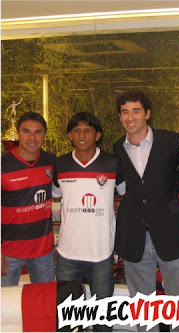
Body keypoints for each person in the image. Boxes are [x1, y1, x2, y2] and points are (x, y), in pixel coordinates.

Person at [113, 91, 179, 332]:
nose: (130, 117)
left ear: (147, 114)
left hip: (169, 231)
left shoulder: (170, 141)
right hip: (135, 234)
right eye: (125, 112)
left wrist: (166, 194)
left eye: (136, 111)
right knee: (142, 305)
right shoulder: (117, 147)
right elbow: (124, 185)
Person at [52, 112, 123, 332]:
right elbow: (56, 193)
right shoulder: (60, 164)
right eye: (76, 130)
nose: (82, 135)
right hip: (67, 254)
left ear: (98, 135)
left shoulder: (112, 163)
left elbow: (126, 195)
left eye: (88, 130)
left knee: (102, 321)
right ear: (69, 136)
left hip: (101, 253)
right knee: (67, 320)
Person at [1, 111, 55, 286]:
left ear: (44, 135)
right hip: (8, 253)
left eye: (38, 132)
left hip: (43, 252)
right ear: (18, 133)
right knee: (4, 307)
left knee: (43, 306)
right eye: (26, 131)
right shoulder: (3, 165)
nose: (32, 137)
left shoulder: (51, 162)